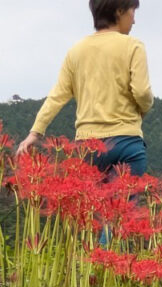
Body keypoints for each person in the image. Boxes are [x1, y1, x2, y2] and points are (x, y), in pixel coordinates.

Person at [16, 0, 153, 178]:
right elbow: (142, 92)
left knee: (88, 204)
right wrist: (144, 108)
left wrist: (35, 132)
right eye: (132, 12)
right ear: (119, 11)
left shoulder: (76, 51)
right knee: (123, 203)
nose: (134, 20)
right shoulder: (133, 46)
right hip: (125, 142)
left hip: (88, 147)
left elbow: (57, 97)